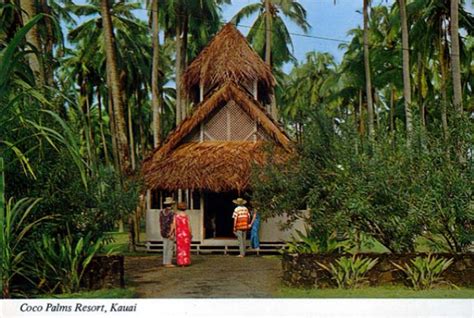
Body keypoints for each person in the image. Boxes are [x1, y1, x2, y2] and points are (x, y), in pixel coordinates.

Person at [159, 197, 176, 268]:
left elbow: (160, 222)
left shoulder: (161, 212)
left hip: (163, 231)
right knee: (170, 247)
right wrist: (171, 232)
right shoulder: (172, 213)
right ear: (171, 204)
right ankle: (168, 263)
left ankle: (164, 261)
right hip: (169, 231)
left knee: (165, 246)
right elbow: (173, 224)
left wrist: (161, 230)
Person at [175, 202, 192, 266]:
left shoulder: (176, 216)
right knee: (186, 248)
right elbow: (189, 225)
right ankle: (186, 262)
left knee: (180, 248)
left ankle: (180, 262)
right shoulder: (186, 216)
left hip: (179, 234)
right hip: (186, 233)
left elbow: (174, 225)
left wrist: (174, 233)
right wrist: (190, 233)